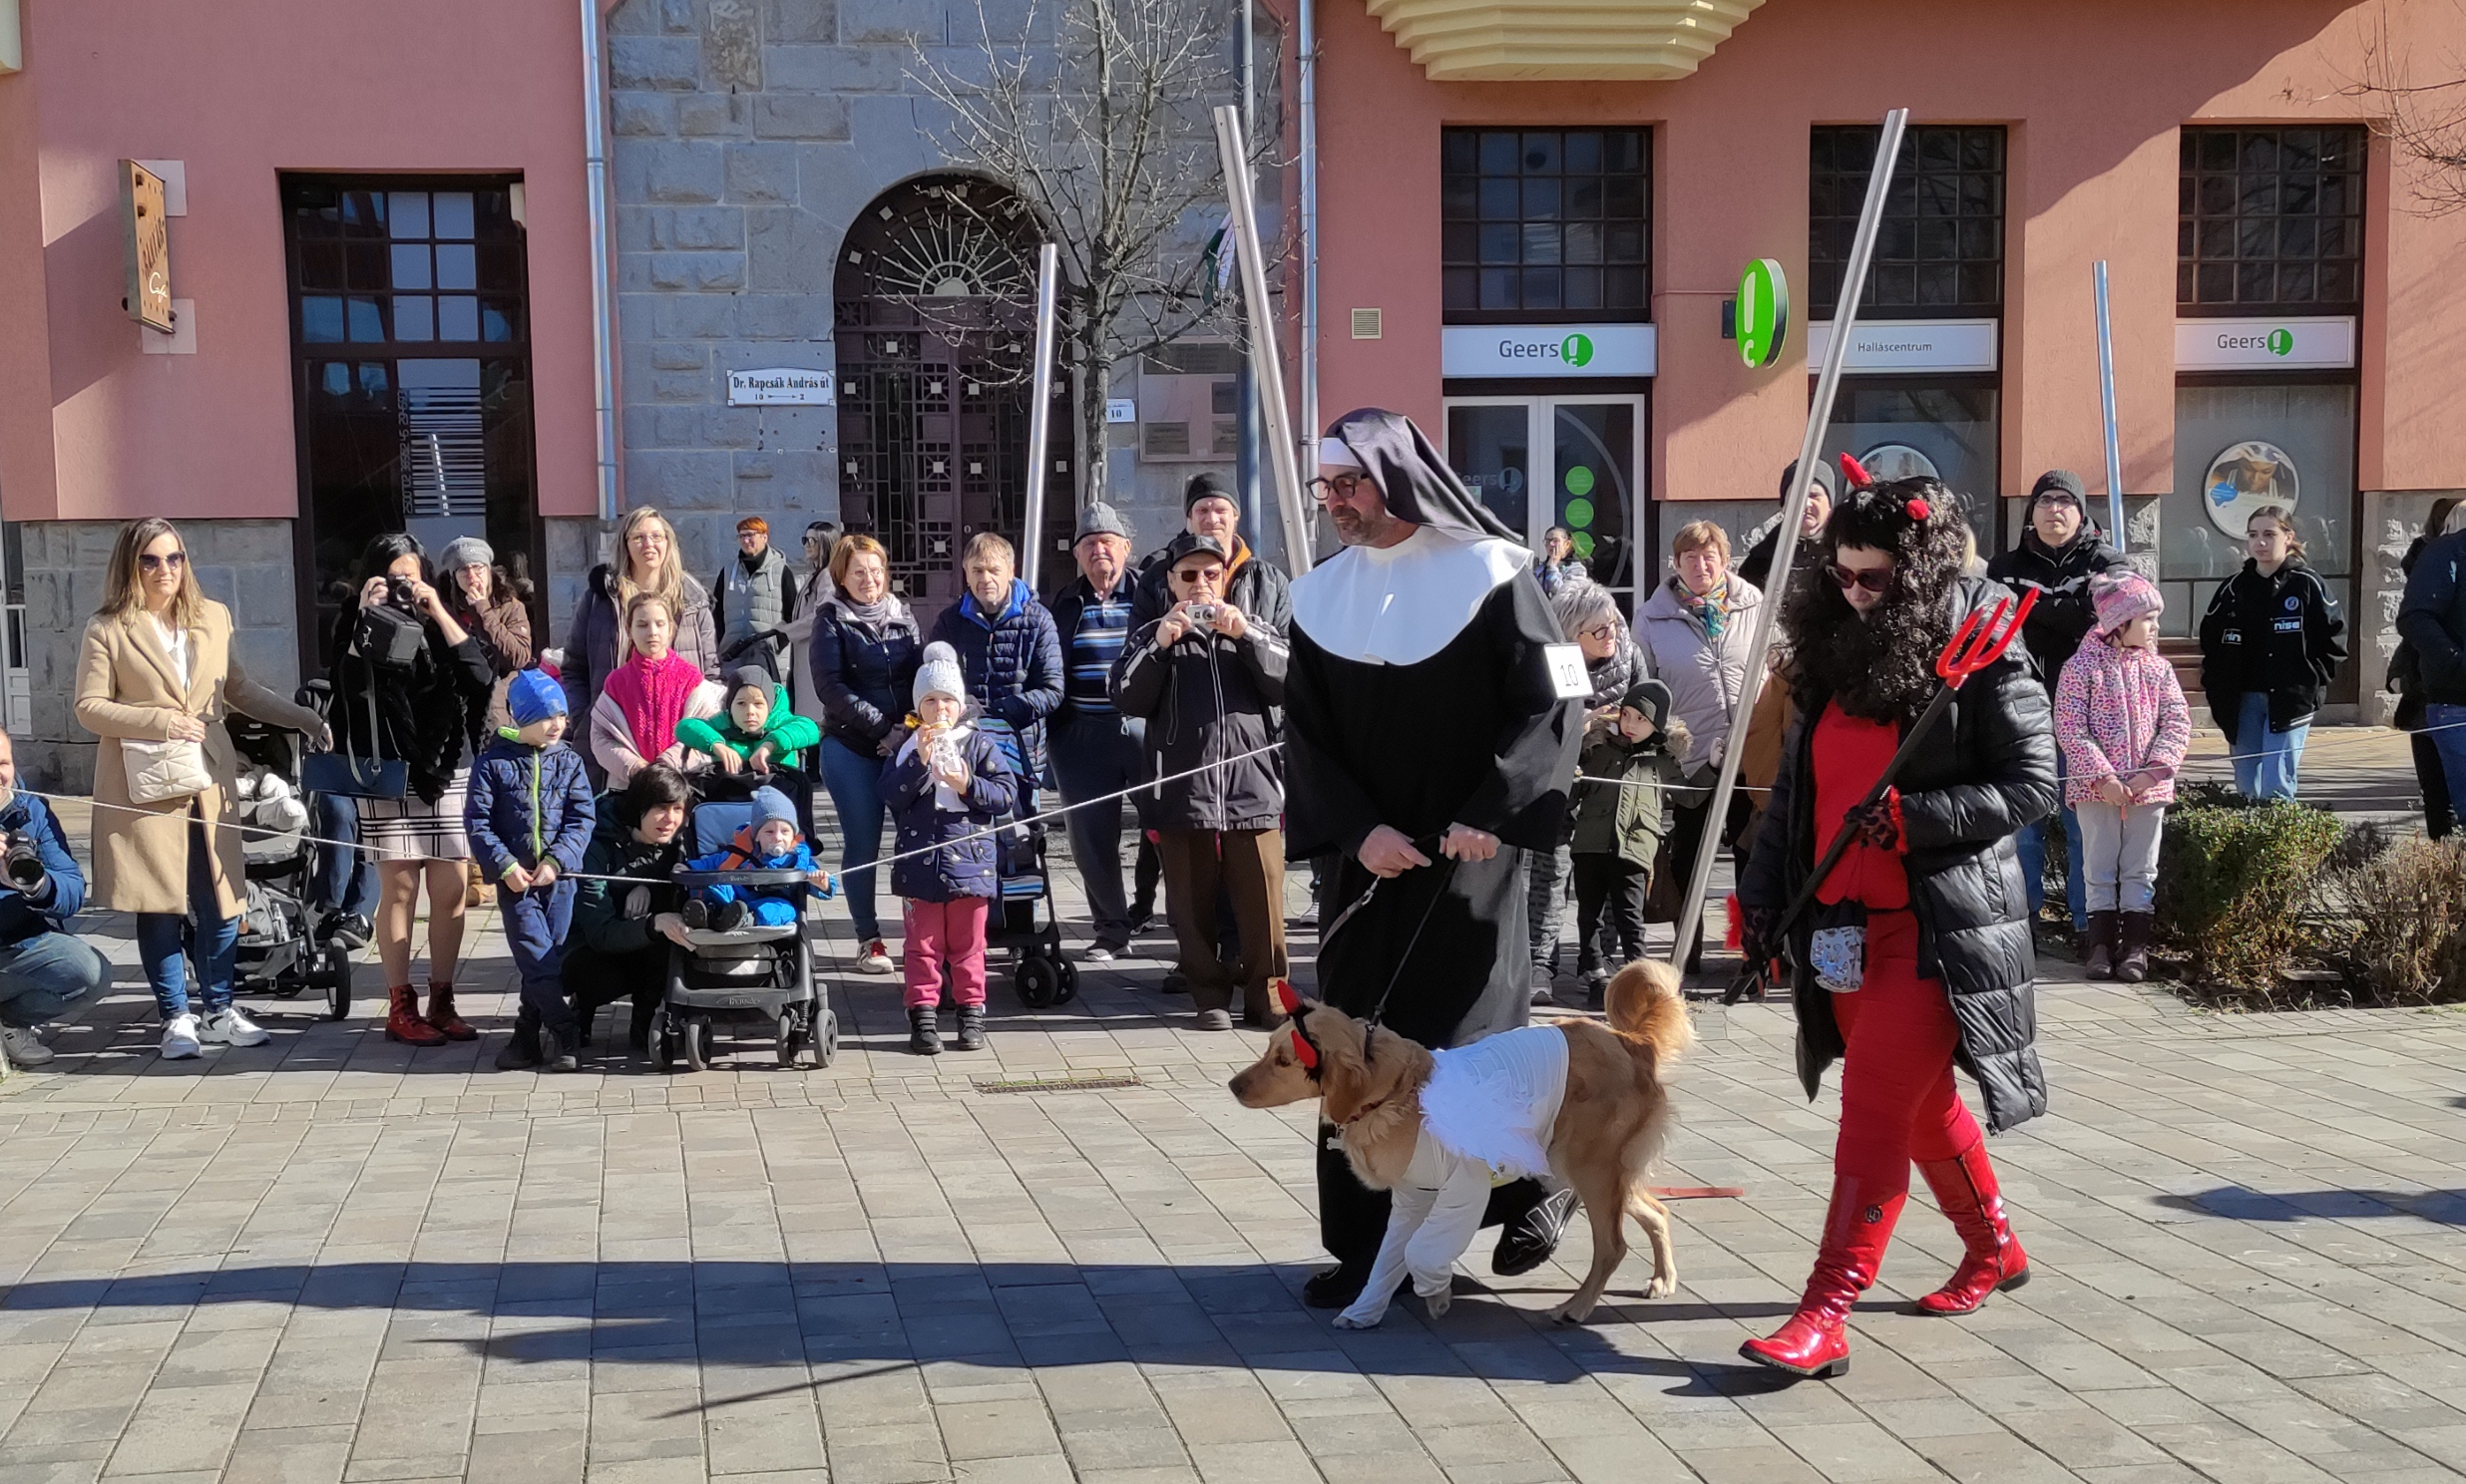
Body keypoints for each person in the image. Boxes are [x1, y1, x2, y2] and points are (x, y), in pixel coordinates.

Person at [1735, 476, 2056, 1379]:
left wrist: (1919, 817)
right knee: (1921, 1110)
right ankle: (1994, 1247)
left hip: (1937, 925)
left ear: (1916, 571)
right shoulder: (1832, 644)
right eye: (1839, 575)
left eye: (1872, 578)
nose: (1853, 592)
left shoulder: (1982, 642)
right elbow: (1796, 793)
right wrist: (1760, 899)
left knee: (1873, 1113)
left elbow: (2035, 782)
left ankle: (1825, 1313)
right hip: (1838, 921)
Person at [1283, 407, 1584, 1310]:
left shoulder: (1494, 573)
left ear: (1397, 481)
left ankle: (1535, 1189)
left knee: (1472, 1055)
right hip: (1369, 867)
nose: (1335, 503)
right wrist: (1355, 830)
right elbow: (1305, 738)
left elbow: (1556, 700)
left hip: (1469, 865)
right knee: (1352, 1052)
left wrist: (1493, 809)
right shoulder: (1319, 596)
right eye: (1325, 489)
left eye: (1349, 485)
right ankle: (1365, 1247)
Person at [75, 518, 330, 1059]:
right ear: (130, 566)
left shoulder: (212, 617)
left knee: (222, 898)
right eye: (150, 560)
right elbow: (89, 707)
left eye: (175, 558)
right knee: (159, 902)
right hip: (143, 782)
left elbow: (239, 689)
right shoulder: (108, 627)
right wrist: (160, 721)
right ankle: (175, 1017)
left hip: (209, 778)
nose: (164, 570)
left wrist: (305, 719)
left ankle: (219, 1009)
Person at [1112, 531, 1291, 1030]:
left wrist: (1246, 636)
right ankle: (1208, 995)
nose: (1200, 584)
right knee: (1190, 905)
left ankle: (1267, 995)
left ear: (1224, 578)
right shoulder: (1153, 633)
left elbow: (1291, 680)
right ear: (1171, 582)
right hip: (1182, 793)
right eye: (1188, 575)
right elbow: (1124, 694)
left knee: (1263, 900)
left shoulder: (1250, 626)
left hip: (1251, 785)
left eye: (1210, 574)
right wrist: (1159, 646)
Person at [328, 535, 499, 1048]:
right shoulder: (356, 619)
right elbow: (346, 688)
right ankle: (400, 1005)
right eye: (393, 577)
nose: (403, 585)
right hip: (389, 769)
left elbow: (480, 676)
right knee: (399, 890)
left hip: (447, 765)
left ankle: (442, 1001)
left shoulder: (439, 616)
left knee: (450, 891)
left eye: (412, 576)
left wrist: (438, 610)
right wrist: (365, 617)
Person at [1989, 470, 2124, 940]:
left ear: (2081, 511)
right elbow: (1998, 632)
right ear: (2032, 510)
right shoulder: (2003, 568)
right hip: (2020, 712)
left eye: (2065, 500)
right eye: (2045, 500)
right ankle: (2023, 922)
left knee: (2083, 826)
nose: (2054, 509)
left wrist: (2032, 609)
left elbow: (2105, 626)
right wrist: (2067, 612)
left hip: (2086, 721)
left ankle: (2087, 924)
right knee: (2023, 827)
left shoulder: (2107, 562)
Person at [1635, 520, 1764, 974]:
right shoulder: (1651, 618)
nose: (1701, 566)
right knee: (1690, 858)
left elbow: (1778, 666)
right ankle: (1687, 946)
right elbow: (1645, 687)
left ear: (1725, 561)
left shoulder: (1754, 605)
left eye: (1709, 557)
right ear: (1676, 563)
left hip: (1751, 755)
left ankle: (1754, 951)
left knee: (1753, 855)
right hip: (1692, 760)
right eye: (1691, 558)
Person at [2056, 572, 2191, 982]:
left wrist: (2153, 772)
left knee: (2140, 867)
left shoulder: (2159, 669)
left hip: (2149, 791)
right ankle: (2099, 945)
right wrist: (2103, 778)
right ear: (2119, 623)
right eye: (2147, 619)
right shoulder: (2079, 668)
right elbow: (2070, 728)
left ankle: (2135, 947)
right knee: (2098, 866)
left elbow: (2176, 722)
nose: (2155, 627)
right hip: (2094, 790)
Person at [887, 642, 1019, 1056]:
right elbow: (890, 795)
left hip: (971, 866)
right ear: (918, 707)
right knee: (922, 948)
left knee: (969, 947)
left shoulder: (979, 744)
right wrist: (918, 762)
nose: (940, 708)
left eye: (947, 700)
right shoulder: (908, 745)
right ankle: (923, 1018)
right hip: (919, 865)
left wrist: (967, 785)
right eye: (930, 701)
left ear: (960, 705)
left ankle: (971, 1014)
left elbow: (1005, 794)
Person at [465, 670, 595, 1072]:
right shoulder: (491, 764)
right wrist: (504, 866)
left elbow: (581, 819)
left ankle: (525, 1037)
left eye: (561, 715)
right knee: (538, 959)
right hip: (517, 884)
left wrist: (557, 861)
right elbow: (478, 822)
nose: (557, 724)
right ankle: (566, 1031)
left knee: (549, 957)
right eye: (545, 716)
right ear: (522, 717)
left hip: (560, 882)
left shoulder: (570, 762)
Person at [1046, 503, 1157, 960]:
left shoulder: (1150, 592)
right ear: (1077, 554)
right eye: (1089, 544)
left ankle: (1165, 916)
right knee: (1091, 839)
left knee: (1169, 827)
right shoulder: (1064, 602)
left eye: (1107, 542)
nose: (1099, 552)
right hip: (1082, 733)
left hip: (1146, 728)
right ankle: (1112, 930)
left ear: (1126, 548)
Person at [809, 534, 922, 975]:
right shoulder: (830, 620)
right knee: (863, 843)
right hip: (851, 746)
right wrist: (881, 729)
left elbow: (921, 677)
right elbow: (830, 687)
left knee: (918, 840)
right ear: (842, 576)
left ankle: (922, 934)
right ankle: (868, 938)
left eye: (876, 570)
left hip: (905, 743)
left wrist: (907, 727)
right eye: (858, 572)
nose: (869, 579)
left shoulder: (903, 615)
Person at [1530, 579, 1644, 991]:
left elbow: (1647, 715)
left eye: (1612, 623)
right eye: (1598, 630)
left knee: (1610, 870)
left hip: (1611, 781)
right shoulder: (1554, 661)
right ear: (1571, 633)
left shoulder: (1630, 654)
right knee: (1551, 872)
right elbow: (1544, 726)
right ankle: (1539, 964)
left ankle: (1599, 963)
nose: (1610, 634)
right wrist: (1586, 722)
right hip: (1560, 780)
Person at [2198, 506, 2346, 802]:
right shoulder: (2233, 588)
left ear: (2288, 537)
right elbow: (2210, 639)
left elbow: (2335, 638)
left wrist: (2311, 680)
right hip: (2242, 700)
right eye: (2253, 535)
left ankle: (2277, 831)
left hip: (2290, 699)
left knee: (2276, 787)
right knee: (2246, 786)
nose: (2260, 542)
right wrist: (2215, 683)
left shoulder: (2307, 584)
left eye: (2269, 534)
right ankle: (2247, 832)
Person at [562, 507, 719, 784]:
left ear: (668, 542)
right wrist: (584, 718)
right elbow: (574, 666)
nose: (649, 544)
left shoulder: (694, 601)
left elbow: (711, 673)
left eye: (657, 536)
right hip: (615, 742)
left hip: (681, 745)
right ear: (625, 544)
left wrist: (704, 729)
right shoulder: (601, 599)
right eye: (639, 537)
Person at [1566, 679, 1684, 1010]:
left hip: (1634, 848)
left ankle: (1642, 980)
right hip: (1591, 845)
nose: (1630, 724)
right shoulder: (1599, 750)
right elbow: (1572, 794)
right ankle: (1595, 973)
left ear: (1656, 724)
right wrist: (1572, 767)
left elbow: (1689, 796)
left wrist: (1715, 768)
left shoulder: (1661, 761)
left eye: (1641, 719)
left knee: (1630, 917)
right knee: (1589, 914)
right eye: (1626, 714)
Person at [928, 533, 1063, 811]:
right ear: (966, 573)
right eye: (977, 570)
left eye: (994, 570)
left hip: (1021, 746)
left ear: (1010, 572)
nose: (985, 578)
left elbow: (1052, 689)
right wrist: (962, 706)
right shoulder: (950, 621)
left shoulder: (1038, 620)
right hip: (964, 745)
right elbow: (933, 681)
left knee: (1021, 828)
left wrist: (1001, 711)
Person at [567, 763, 695, 1051]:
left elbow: (662, 874)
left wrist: (647, 886)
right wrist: (653, 922)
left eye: (677, 809)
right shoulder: (596, 845)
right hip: (587, 946)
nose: (670, 819)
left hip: (639, 940)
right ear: (638, 808)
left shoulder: (680, 843)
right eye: (660, 808)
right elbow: (599, 933)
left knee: (669, 949)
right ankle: (582, 1007)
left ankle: (644, 1022)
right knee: (601, 977)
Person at [0, 731, 109, 1068]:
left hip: (17, 946)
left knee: (89, 971)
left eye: (2, 763)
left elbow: (73, 887)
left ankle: (10, 1023)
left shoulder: (30, 809)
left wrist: (36, 884)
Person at [590, 592, 727, 790]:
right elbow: (601, 737)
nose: (652, 632)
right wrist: (634, 767)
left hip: (682, 788)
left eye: (660, 624)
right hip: (630, 789)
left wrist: (668, 764)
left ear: (671, 629)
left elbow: (710, 731)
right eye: (642, 625)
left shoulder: (690, 679)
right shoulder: (617, 683)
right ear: (628, 630)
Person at [1131, 472, 1295, 636]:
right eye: (1202, 510)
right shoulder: (1156, 578)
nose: (1212, 519)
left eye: (1220, 510)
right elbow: (1135, 644)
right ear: (1190, 516)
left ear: (1236, 515)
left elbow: (1286, 646)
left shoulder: (1270, 581)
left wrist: (1246, 632)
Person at [2392, 499, 2462, 839]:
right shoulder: (2443, 554)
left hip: (2441, 692)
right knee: (2441, 799)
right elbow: (2415, 621)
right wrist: (2455, 664)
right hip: (2448, 697)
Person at [680, 785, 836, 929]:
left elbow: (817, 878)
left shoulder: (798, 859)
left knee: (784, 909)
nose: (777, 837)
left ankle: (747, 919)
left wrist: (823, 884)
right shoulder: (741, 852)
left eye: (785, 831)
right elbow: (711, 862)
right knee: (718, 887)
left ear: (793, 835)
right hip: (735, 898)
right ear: (756, 836)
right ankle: (708, 913)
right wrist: (687, 867)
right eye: (769, 832)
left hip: (771, 900)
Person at [436, 534, 536, 746]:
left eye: (478, 568)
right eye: (463, 570)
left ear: (489, 570)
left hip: (497, 708)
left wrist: (483, 609)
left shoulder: (510, 606)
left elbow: (518, 658)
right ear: (454, 576)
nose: (472, 576)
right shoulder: (444, 609)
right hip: (456, 712)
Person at [677, 669, 820, 777]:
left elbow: (811, 729)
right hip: (732, 795)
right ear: (730, 706)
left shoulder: (778, 720)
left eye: (758, 704)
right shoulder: (723, 722)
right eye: (741, 703)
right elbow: (684, 727)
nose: (750, 711)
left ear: (769, 706)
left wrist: (771, 744)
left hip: (779, 790)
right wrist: (716, 744)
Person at [712, 515, 801, 685]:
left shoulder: (781, 571)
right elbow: (717, 614)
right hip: (733, 656)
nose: (745, 541)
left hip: (769, 657)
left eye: (750, 535)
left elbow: (792, 615)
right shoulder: (728, 571)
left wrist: (777, 643)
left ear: (764, 537)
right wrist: (723, 643)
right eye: (741, 536)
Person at [1735, 458, 1838, 592]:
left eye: (1814, 495)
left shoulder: (1845, 553)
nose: (1805, 504)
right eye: (1796, 496)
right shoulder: (1761, 560)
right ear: (1784, 507)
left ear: (1830, 505)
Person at [784, 520, 839, 730]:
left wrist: (788, 630)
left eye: (813, 541)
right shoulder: (815, 575)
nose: (807, 545)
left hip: (815, 652)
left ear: (826, 543)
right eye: (805, 540)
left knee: (814, 716)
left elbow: (820, 615)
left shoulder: (828, 576)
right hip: (804, 654)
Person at [1534, 526, 1585, 594]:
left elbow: (1564, 595)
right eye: (1547, 541)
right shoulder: (1540, 569)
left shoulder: (1577, 569)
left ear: (1567, 544)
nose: (1550, 544)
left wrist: (1552, 568)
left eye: (1555, 540)